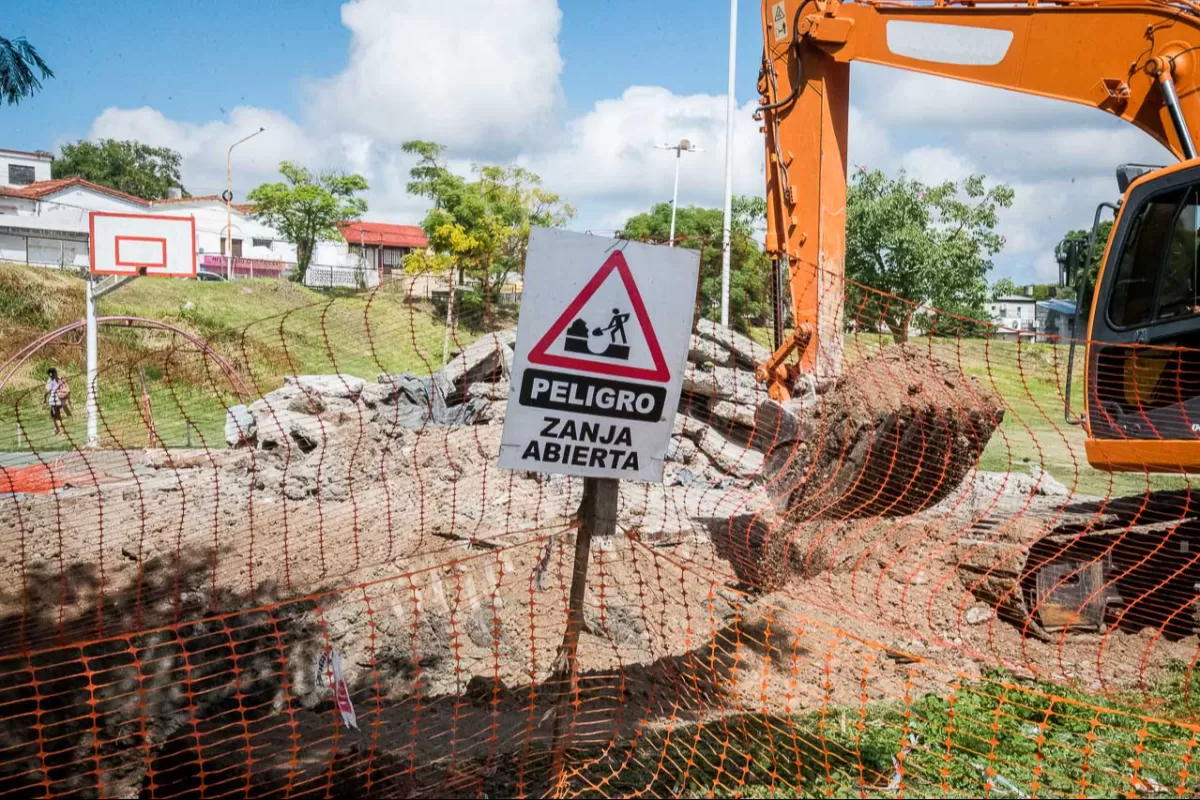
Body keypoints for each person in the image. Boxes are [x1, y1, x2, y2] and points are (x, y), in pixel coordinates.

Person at [45, 367, 65, 435]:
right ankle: (56, 429)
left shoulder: (50, 380)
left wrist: (44, 398)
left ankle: (61, 431)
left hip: (54, 400)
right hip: (61, 399)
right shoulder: (59, 379)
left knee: (56, 416)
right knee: (53, 415)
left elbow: (47, 391)